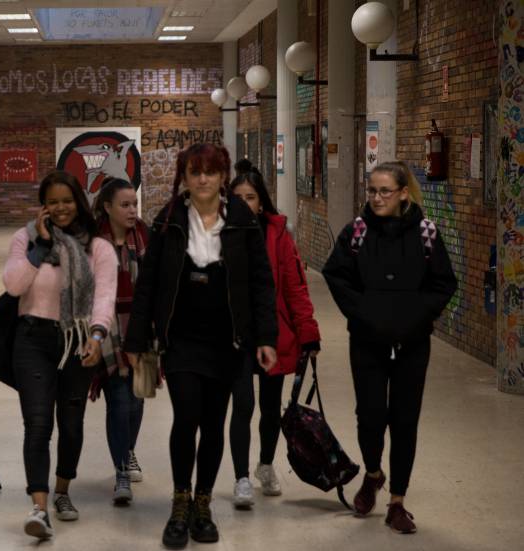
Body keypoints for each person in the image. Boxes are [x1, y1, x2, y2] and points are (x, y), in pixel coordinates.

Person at [124, 144, 277, 548]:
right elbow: (149, 284)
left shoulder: (242, 220)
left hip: (227, 340)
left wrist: (265, 338)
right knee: (186, 417)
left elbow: (261, 282)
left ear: (223, 176)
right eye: (195, 172)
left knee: (213, 424)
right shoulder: (168, 218)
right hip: (181, 339)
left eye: (211, 172)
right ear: (184, 177)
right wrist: (137, 339)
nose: (203, 179)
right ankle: (180, 503)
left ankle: (203, 504)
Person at [322, 161, 456, 534]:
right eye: (372, 190)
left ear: (403, 194)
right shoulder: (357, 232)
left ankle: (397, 500)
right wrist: (363, 312)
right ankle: (373, 473)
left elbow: (444, 283)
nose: (376, 197)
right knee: (369, 416)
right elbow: (336, 274)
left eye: (384, 191)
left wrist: (417, 315)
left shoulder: (426, 234)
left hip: (413, 344)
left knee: (404, 420)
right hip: (367, 341)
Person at [2, 170, 117, 540]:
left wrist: (97, 335)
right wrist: (40, 246)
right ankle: (39, 505)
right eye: (53, 201)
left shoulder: (97, 247)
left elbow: (104, 297)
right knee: (37, 424)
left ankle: (63, 491)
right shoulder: (26, 239)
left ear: (78, 202)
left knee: (71, 424)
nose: (61, 208)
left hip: (79, 342)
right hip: (32, 339)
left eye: (67, 200)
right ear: (43, 206)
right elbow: (14, 285)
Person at [227, 162, 321, 508]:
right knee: (243, 405)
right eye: (237, 197)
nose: (244, 203)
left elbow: (296, 287)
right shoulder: (219, 233)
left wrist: (308, 333)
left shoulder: (277, 235)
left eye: (250, 197)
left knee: (269, 408)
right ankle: (240, 478)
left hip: (274, 333)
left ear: (261, 202)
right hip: (236, 336)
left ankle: (265, 465)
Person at [88, 177, 149, 506]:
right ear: (107, 207)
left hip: (141, 329)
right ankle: (121, 470)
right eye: (124, 205)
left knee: (138, 401)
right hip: (108, 329)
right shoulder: (95, 242)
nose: (132, 210)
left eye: (134, 204)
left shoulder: (144, 236)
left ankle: (128, 450)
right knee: (119, 401)